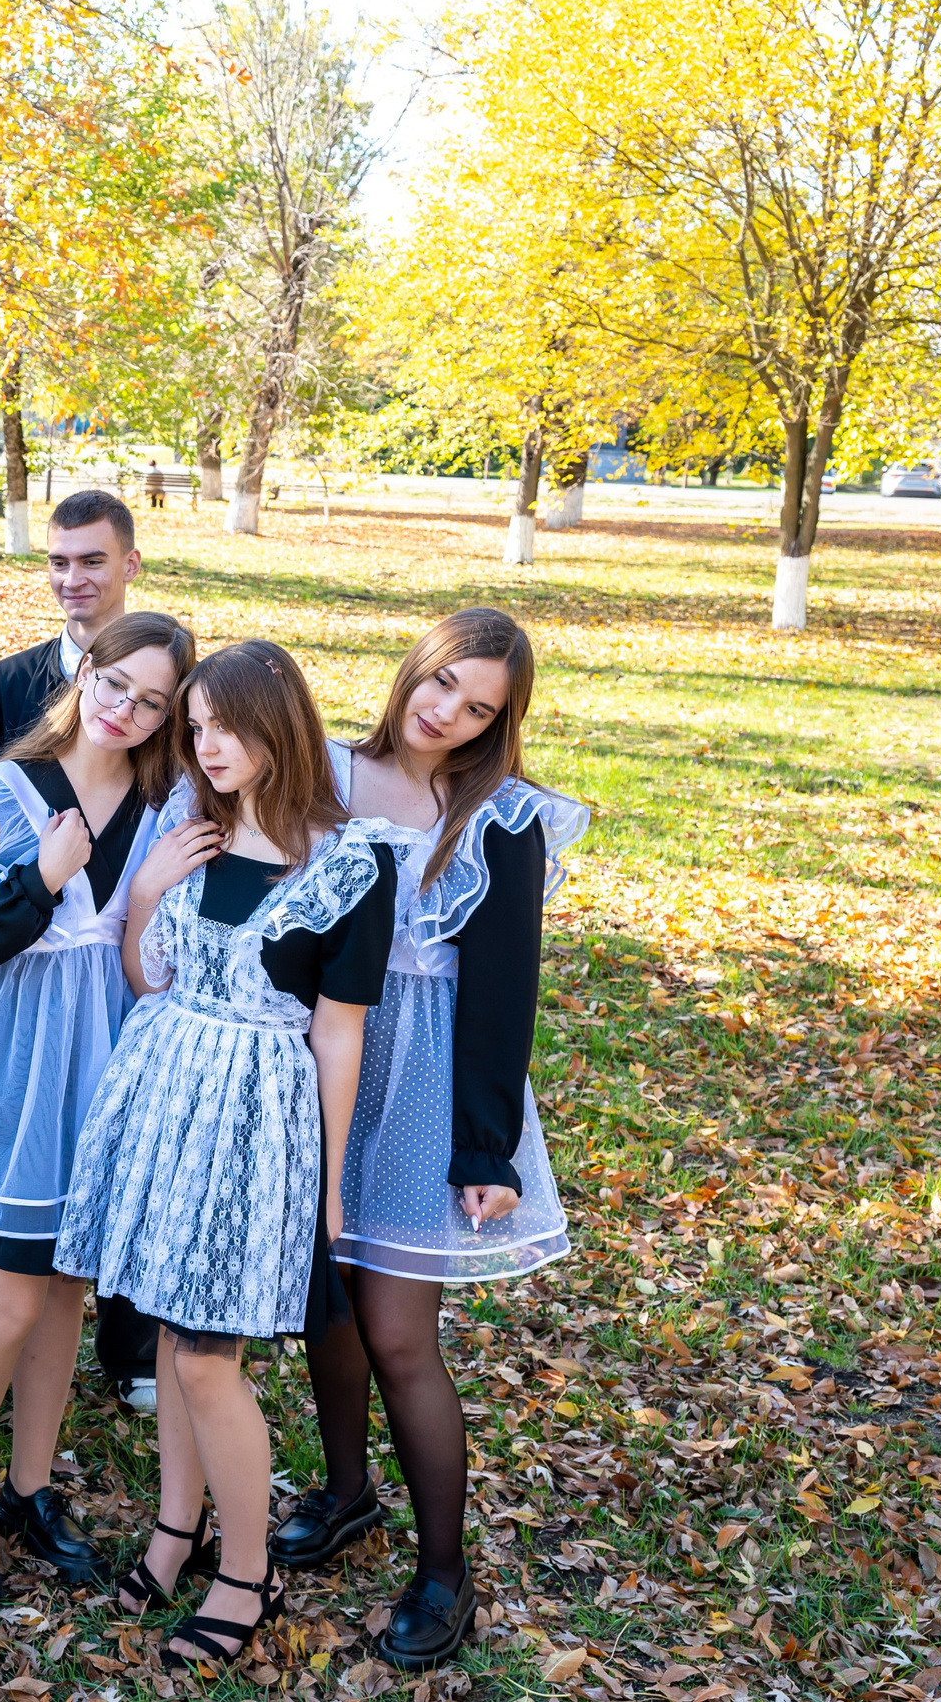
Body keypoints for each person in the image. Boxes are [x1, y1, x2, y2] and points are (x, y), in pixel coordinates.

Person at [57, 641, 398, 1668]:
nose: (206, 745)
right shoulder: (189, 831)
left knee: (209, 1355)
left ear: (279, 724)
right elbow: (145, 977)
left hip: (256, 1115)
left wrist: (330, 1186)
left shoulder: (349, 860)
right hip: (163, 1094)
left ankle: (246, 1572)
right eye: (194, 725)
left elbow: (339, 1035)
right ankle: (176, 1526)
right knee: (169, 1339)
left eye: (224, 724)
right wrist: (149, 894)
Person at [286, 608, 588, 1671]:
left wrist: (485, 1148)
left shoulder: (499, 815)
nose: (447, 712)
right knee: (326, 1303)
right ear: (415, 662)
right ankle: (344, 1492)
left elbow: (503, 992)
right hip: (317, 1063)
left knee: (400, 1333)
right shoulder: (318, 767)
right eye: (443, 681)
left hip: (421, 1078)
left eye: (478, 707)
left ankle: (444, 1572)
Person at [0, 610, 197, 1604]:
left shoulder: (163, 804)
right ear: (86, 668)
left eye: (151, 700)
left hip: (108, 1068)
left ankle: (27, 1486)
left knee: (66, 1291)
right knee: (8, 1297)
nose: (124, 709)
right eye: (114, 683)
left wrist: (153, 889)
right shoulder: (4, 789)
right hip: (11, 1069)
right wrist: (41, 876)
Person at [0, 488, 144, 764]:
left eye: (92, 562)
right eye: (60, 563)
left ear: (130, 565)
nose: (72, 580)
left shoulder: (166, 685)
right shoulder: (9, 682)